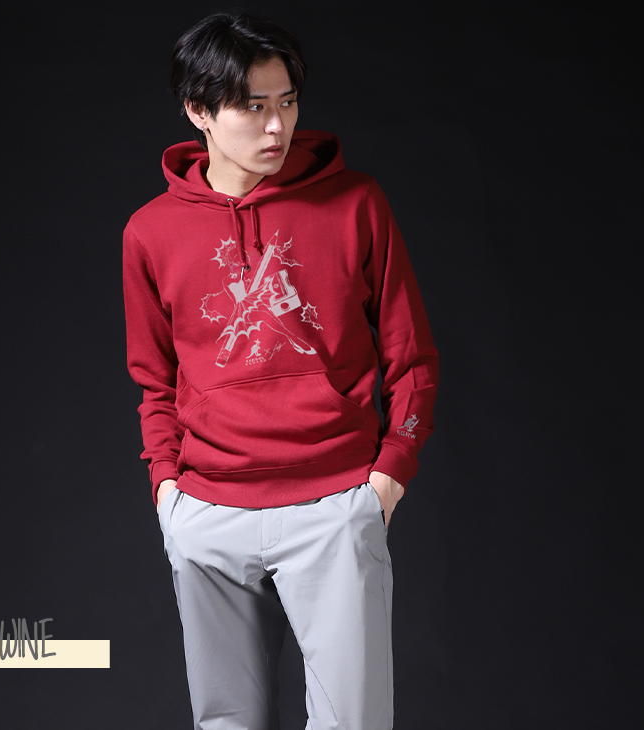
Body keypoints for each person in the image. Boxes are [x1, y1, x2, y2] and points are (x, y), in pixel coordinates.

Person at [123, 10, 439, 730]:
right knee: (225, 723)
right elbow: (154, 377)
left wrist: (388, 474)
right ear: (199, 111)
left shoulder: (356, 203)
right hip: (207, 509)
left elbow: (411, 354)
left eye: (287, 102)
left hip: (334, 503)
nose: (277, 127)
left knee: (353, 722)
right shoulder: (150, 230)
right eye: (253, 107)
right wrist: (168, 488)